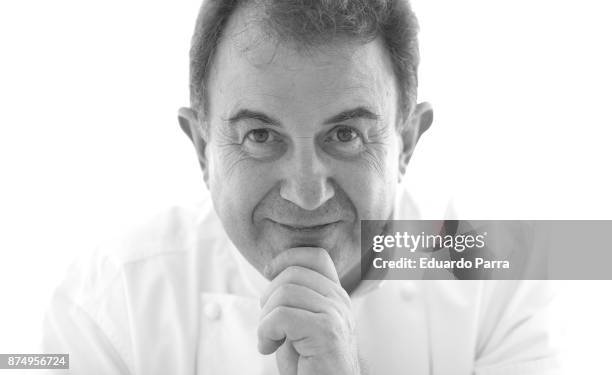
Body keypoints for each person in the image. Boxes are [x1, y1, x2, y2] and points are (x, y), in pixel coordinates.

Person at [42, 0, 561, 374]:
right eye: (260, 136)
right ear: (202, 147)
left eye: (346, 135)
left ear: (406, 142)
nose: (307, 194)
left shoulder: (504, 268)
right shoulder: (108, 299)